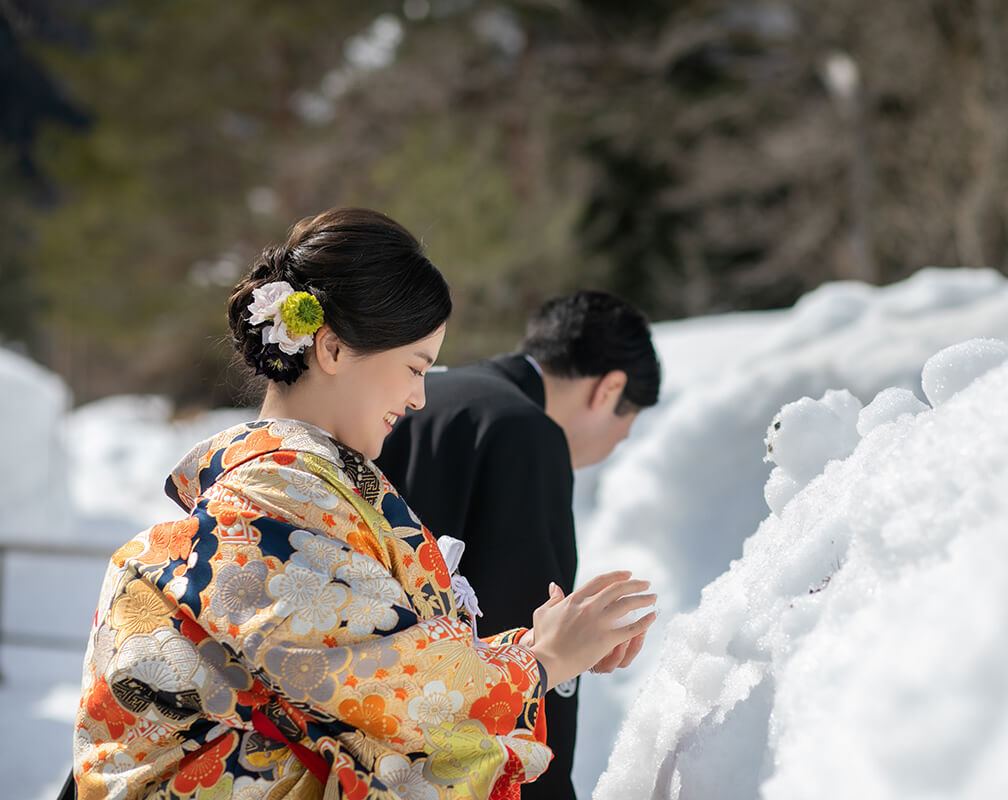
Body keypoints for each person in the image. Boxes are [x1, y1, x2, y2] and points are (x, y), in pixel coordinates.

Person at [69, 208, 656, 800]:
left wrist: (536, 647)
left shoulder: (298, 488)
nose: (420, 397)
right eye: (413, 367)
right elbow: (381, 682)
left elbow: (370, 653)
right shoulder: (272, 500)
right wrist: (545, 661)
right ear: (329, 349)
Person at [373, 290, 662, 800]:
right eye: (623, 430)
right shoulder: (526, 431)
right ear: (609, 389)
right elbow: (531, 631)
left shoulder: (412, 395)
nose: (610, 449)